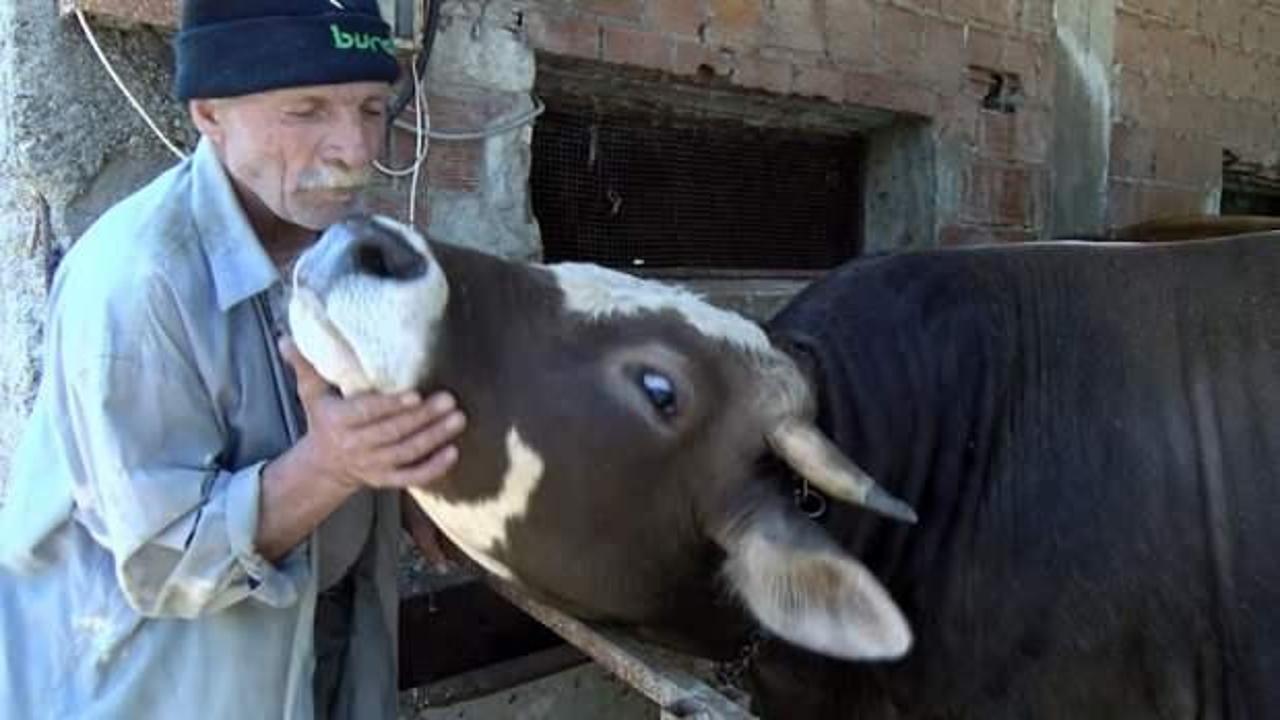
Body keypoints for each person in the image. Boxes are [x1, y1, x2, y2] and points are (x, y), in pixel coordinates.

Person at [0, 1, 466, 718]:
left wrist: (390, 480)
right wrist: (335, 466)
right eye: (307, 110)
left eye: (372, 107)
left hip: (313, 651)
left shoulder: (337, 245)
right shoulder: (137, 284)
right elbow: (165, 566)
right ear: (209, 114)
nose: (354, 148)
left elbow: (339, 424)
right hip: (147, 685)